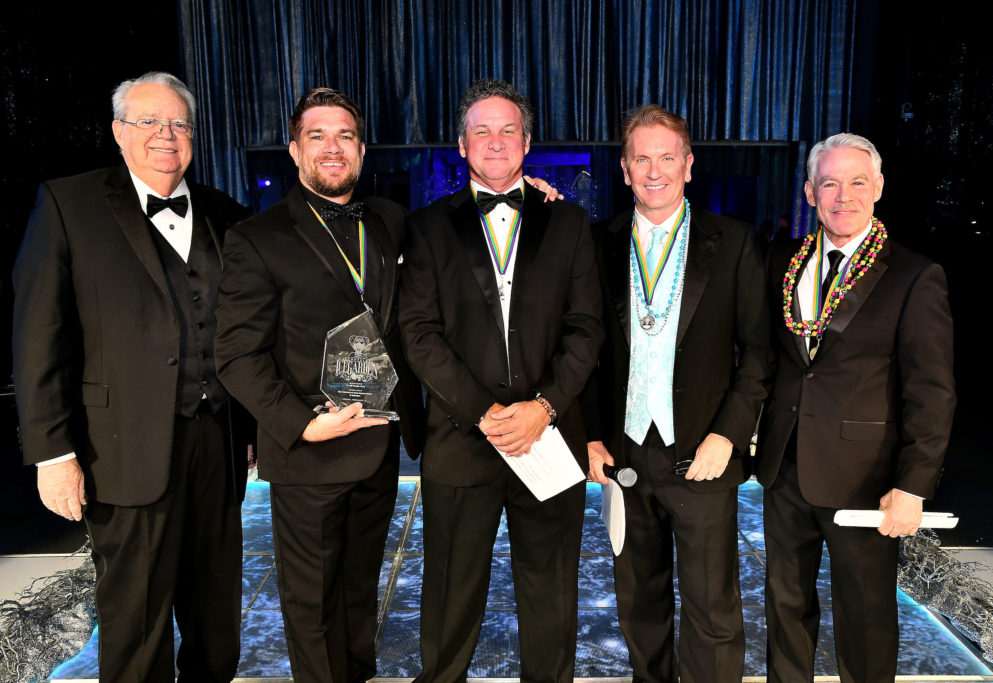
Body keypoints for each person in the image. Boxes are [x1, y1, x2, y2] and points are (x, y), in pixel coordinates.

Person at [11, 71, 251, 681]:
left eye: (177, 123)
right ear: (119, 133)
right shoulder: (70, 204)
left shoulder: (227, 213)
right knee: (136, 622)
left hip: (217, 446)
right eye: (148, 121)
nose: (164, 135)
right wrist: (51, 453)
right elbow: (40, 335)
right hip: (119, 450)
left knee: (216, 619)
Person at [214, 87, 426, 682]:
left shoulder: (388, 220)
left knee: (361, 593)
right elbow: (235, 353)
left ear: (361, 149)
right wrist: (303, 424)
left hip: (378, 445)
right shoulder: (257, 237)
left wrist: (533, 197)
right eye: (318, 136)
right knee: (311, 608)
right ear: (293, 149)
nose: (333, 148)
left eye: (345, 136)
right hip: (309, 451)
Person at [398, 78, 604, 683]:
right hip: (463, 441)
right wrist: (484, 412)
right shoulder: (428, 226)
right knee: (449, 598)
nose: (494, 141)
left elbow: (586, 328)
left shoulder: (567, 223)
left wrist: (545, 407)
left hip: (548, 437)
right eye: (481, 131)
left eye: (507, 129)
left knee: (551, 596)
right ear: (462, 146)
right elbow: (419, 334)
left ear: (527, 141)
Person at [755, 133, 956, 681]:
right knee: (785, 610)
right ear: (809, 192)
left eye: (857, 182)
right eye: (829, 183)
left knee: (865, 617)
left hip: (867, 479)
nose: (843, 196)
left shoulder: (915, 275)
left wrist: (913, 485)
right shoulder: (783, 262)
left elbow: (931, 391)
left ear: (880, 188)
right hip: (784, 470)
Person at [585, 105, 773, 682]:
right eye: (641, 158)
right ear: (624, 169)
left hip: (703, 454)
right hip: (624, 457)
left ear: (689, 165)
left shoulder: (735, 242)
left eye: (667, 157)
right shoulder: (599, 242)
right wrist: (590, 433)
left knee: (712, 607)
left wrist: (729, 435)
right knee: (638, 604)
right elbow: (586, 351)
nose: (654, 170)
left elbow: (761, 353)